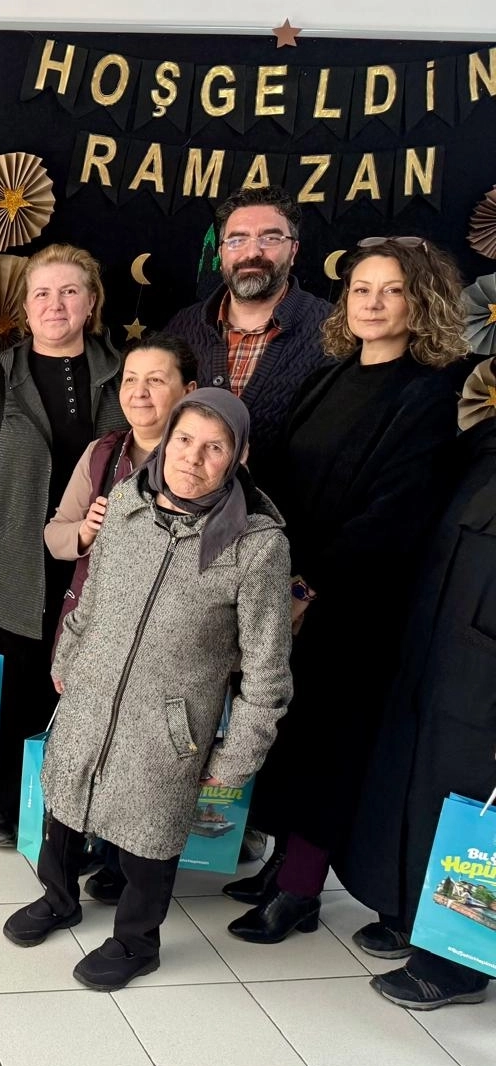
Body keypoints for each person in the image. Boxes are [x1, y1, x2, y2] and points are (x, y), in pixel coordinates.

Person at [5, 389, 292, 991]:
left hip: (170, 724)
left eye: (214, 448)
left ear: (239, 456)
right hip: (91, 695)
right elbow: (91, 594)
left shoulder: (258, 544)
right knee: (65, 803)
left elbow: (267, 667)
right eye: (184, 440)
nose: (193, 458)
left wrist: (238, 755)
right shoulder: (126, 503)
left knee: (150, 836)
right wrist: (69, 658)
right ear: (166, 440)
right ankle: (58, 898)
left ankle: (137, 942)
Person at [228, 237, 472, 945]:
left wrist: (309, 588)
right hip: (290, 585)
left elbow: (394, 514)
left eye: (392, 290)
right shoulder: (330, 376)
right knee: (289, 735)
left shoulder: (431, 391)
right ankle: (279, 868)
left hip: (356, 602)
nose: (372, 303)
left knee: (330, 746)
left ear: (419, 302)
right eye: (361, 289)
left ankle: (300, 893)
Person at [0, 243, 127, 847]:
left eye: (70, 291)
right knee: (18, 681)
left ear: (92, 302)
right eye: (42, 293)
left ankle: (65, 803)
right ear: (25, 308)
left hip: (99, 563)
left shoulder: (123, 375)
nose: (56, 304)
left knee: (81, 684)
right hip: (15, 561)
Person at [338, 358, 496, 1010]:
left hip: (485, 683)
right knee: (421, 786)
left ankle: (455, 963)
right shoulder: (480, 439)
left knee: (474, 810)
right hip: (437, 653)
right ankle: (412, 913)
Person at [43, 331, 198, 904]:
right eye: (131, 380)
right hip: (93, 632)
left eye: (156, 380)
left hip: (163, 651)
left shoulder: (203, 463)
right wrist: (86, 531)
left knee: (140, 762)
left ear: (188, 391)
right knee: (82, 749)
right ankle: (64, 881)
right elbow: (55, 535)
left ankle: (120, 865)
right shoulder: (103, 454)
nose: (140, 392)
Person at [163, 184, 332, 465]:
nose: (252, 252)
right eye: (237, 239)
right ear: (221, 252)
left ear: (293, 250)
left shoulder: (334, 330)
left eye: (270, 238)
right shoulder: (183, 327)